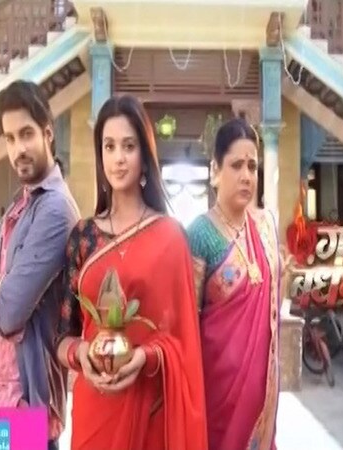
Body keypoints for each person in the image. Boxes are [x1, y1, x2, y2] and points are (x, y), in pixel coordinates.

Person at [56, 94, 207, 450]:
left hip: (151, 407)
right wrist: (82, 355)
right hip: (95, 411)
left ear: (145, 157)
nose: (119, 158)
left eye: (129, 146)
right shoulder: (83, 237)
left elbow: (185, 343)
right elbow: (62, 336)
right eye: (109, 146)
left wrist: (145, 356)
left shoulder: (171, 237)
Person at [0, 80, 80, 450]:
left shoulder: (55, 210)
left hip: (27, 410)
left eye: (26, 134)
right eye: (9, 138)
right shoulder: (19, 205)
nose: (18, 149)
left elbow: (9, 314)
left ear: (48, 134)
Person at [187, 118, 281, 450]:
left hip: (261, 403)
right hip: (215, 395)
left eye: (252, 166)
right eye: (236, 165)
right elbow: (187, 325)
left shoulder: (266, 227)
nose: (246, 176)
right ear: (216, 170)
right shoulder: (199, 234)